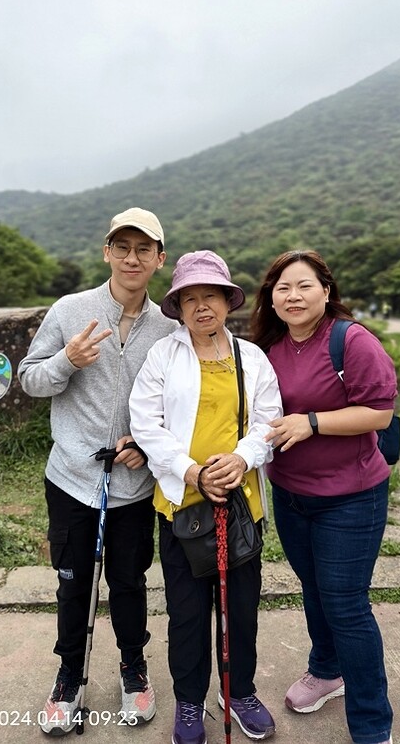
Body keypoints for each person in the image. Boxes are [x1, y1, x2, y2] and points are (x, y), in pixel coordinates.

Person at [18, 208, 178, 735]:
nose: (132, 258)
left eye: (143, 249)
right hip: (71, 478)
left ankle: (133, 669)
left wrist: (150, 450)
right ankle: (70, 675)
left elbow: (178, 411)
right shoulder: (70, 310)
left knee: (129, 582)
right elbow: (29, 380)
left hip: (132, 485)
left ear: (159, 258)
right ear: (106, 251)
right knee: (73, 582)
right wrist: (67, 360)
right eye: (122, 247)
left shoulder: (169, 330)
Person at [129, 250, 282, 744]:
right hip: (181, 505)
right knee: (188, 613)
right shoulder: (164, 355)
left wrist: (241, 460)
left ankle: (239, 693)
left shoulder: (251, 357)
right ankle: (190, 703)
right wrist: (192, 471)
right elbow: (144, 424)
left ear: (226, 301)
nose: (201, 307)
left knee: (240, 608)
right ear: (177, 306)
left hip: (240, 507)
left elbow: (268, 421)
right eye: (189, 298)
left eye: (209, 296)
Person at [250, 250, 397, 744]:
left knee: (347, 605)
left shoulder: (350, 341)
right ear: (270, 298)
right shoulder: (266, 348)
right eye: (282, 288)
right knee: (315, 591)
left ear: (326, 291)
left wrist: (311, 423)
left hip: (350, 498)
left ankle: (373, 725)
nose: (293, 296)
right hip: (291, 495)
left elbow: (378, 413)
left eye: (304, 286)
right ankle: (326, 669)